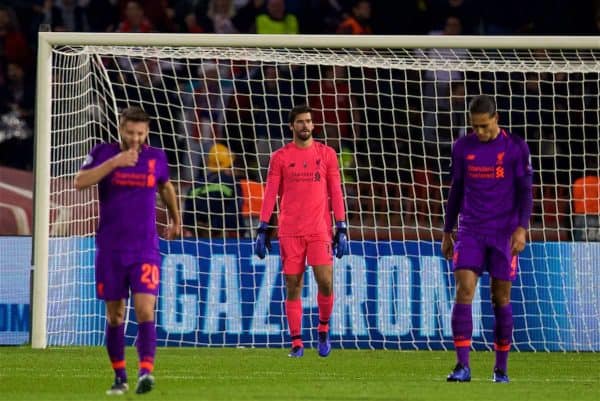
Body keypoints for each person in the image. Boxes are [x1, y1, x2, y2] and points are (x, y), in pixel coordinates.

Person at [74, 106, 181, 395]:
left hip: (145, 247)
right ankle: (120, 377)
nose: (135, 138)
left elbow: (166, 186)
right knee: (115, 315)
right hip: (111, 249)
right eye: (130, 132)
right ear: (121, 129)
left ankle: (146, 371)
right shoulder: (103, 152)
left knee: (146, 310)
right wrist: (115, 163)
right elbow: (79, 182)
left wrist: (175, 218)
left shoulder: (156, 157)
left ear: (146, 133)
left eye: (140, 133)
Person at [441, 95, 533, 383]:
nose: (478, 132)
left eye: (483, 126)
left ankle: (501, 368)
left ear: (496, 119)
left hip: (503, 233)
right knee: (464, 289)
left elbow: (525, 191)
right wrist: (446, 230)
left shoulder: (516, 148)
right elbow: (456, 190)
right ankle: (462, 366)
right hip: (470, 230)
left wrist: (521, 228)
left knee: (500, 297)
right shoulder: (462, 147)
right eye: (474, 127)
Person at [254, 104, 349, 358]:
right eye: (300, 122)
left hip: (319, 230)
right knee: (293, 284)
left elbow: (336, 192)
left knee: (325, 281)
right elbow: (270, 192)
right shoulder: (280, 157)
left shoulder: (327, 154)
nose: (305, 126)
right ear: (291, 126)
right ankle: (296, 342)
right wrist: (263, 227)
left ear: (313, 125)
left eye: (308, 121)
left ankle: (323, 328)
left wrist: (341, 226)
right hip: (290, 231)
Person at [182, 143, 244, 238]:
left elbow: (187, 217)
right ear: (229, 164)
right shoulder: (232, 183)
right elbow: (234, 213)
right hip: (221, 237)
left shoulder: (196, 185)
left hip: (197, 236)